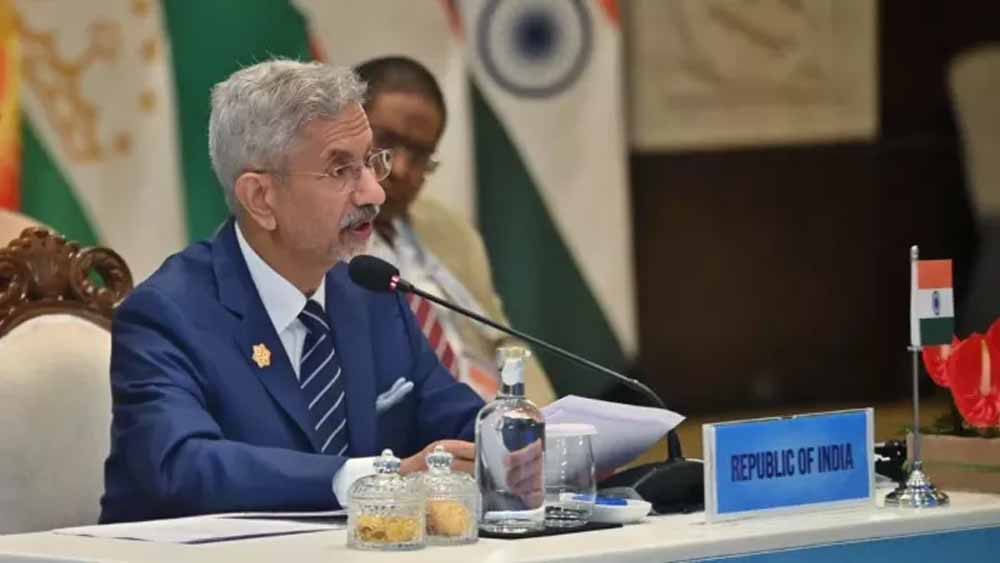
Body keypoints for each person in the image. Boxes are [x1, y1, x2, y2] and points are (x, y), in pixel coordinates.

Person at [100, 60, 488, 523]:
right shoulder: (167, 313)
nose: (374, 193)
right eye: (340, 170)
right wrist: (366, 480)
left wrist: (521, 440)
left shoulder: (373, 294)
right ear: (261, 198)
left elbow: (457, 420)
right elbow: (182, 465)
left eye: (370, 162)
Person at [355, 56, 556, 405]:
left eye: (420, 155)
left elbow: (502, 341)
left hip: (491, 414)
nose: (401, 169)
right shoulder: (316, 235)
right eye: (386, 142)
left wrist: (545, 419)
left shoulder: (451, 231)